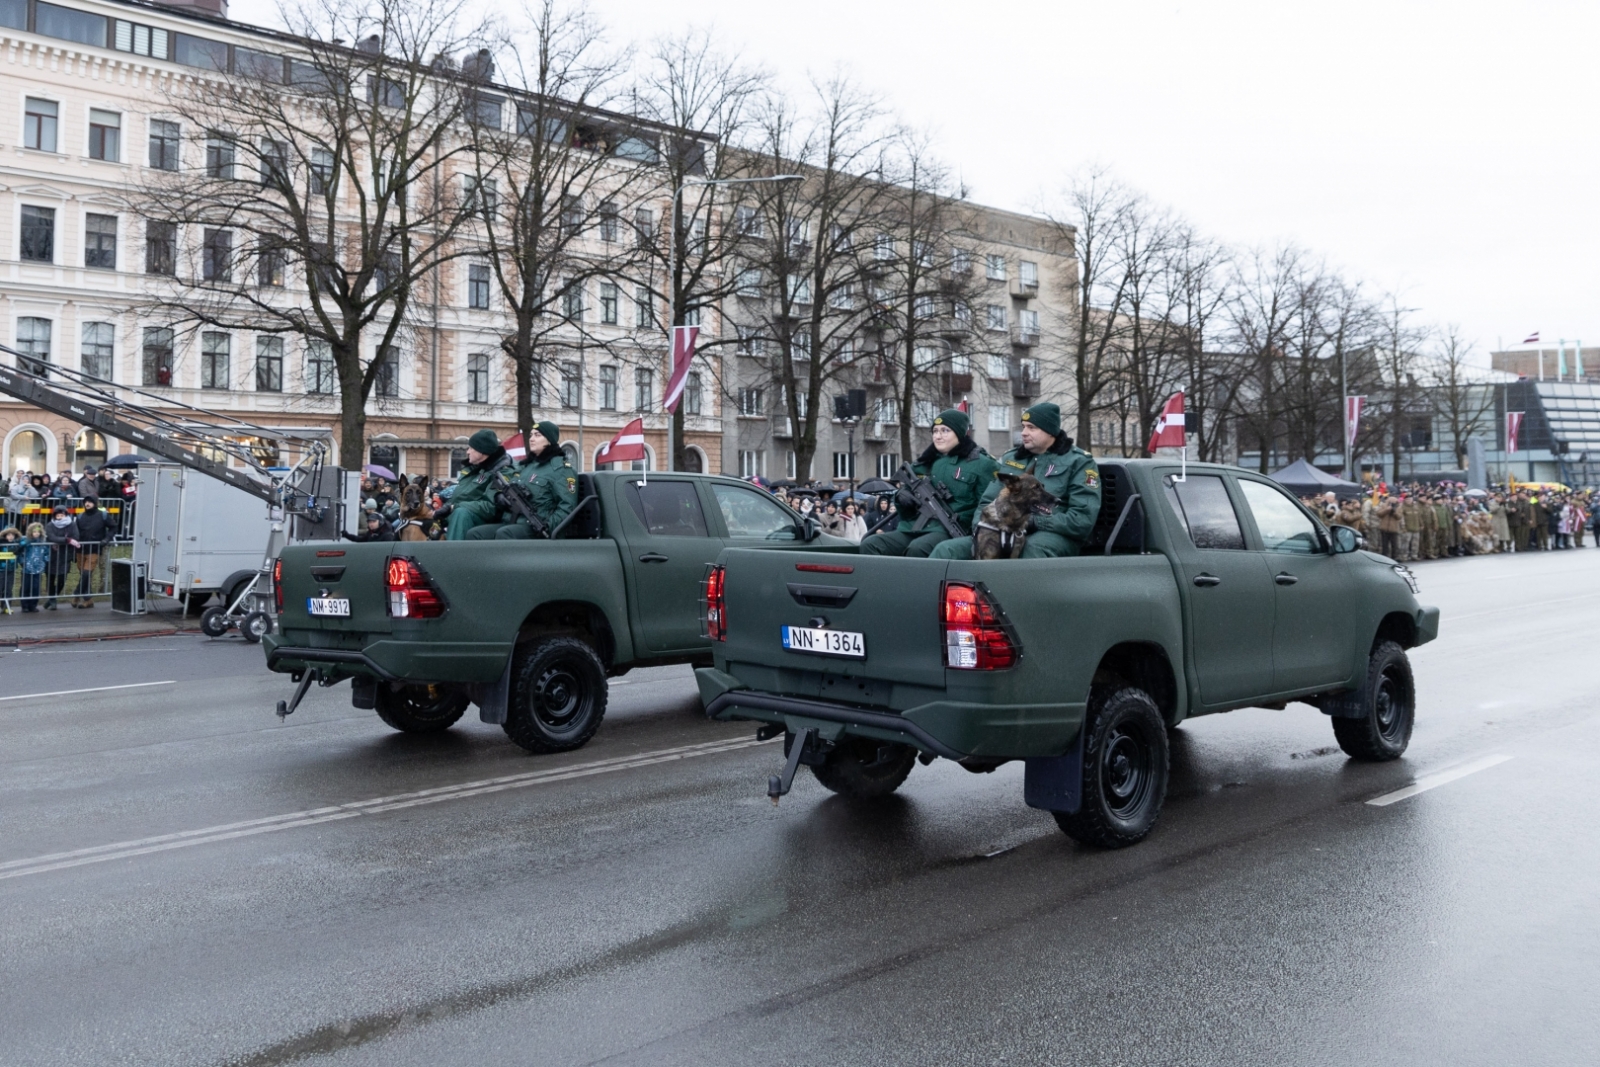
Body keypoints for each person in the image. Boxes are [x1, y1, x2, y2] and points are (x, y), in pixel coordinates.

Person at [931, 402, 1101, 560]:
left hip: (1054, 534)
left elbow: (1082, 519)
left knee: (1028, 550)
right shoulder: (1012, 458)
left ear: (1050, 431)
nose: (1024, 433)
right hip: (1002, 529)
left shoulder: (1078, 461)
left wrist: (1033, 521)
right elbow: (988, 500)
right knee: (946, 550)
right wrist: (980, 527)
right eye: (1023, 427)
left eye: (1031, 428)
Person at [861, 408, 999, 557]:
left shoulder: (981, 464)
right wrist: (901, 497)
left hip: (950, 531)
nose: (938, 436)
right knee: (871, 544)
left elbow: (987, 507)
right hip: (913, 527)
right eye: (935, 431)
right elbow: (905, 493)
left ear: (960, 433)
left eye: (945, 431)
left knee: (918, 548)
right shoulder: (924, 462)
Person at [466, 422, 579, 540]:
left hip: (537, 527)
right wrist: (499, 496)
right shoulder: (526, 467)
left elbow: (567, 506)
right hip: (512, 521)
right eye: (531, 435)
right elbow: (506, 487)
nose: (532, 439)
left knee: (505, 533)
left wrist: (548, 526)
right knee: (475, 534)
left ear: (550, 440)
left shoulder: (560, 468)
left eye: (537, 435)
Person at [439, 430, 513, 540]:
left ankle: (454, 555)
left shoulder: (501, 471)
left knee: (461, 513)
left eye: (470, 448)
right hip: (459, 516)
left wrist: (454, 507)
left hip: (483, 521)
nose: (467, 452)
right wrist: (440, 512)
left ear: (481, 451)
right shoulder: (472, 469)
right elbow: (460, 497)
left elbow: (491, 507)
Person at [72, 496, 110, 608]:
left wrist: (106, 539)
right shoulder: (80, 516)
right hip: (80, 549)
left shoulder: (103, 515)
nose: (87, 504)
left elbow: (113, 527)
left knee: (86, 573)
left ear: (94, 503)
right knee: (84, 575)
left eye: (90, 502)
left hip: (94, 549)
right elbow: (75, 532)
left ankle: (76, 594)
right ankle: (88, 599)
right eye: (86, 502)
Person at [42, 505, 80, 610]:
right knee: (50, 578)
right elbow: (51, 537)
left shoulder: (72, 524)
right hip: (51, 555)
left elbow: (76, 537)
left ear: (66, 514)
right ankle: (53, 601)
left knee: (62, 579)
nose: (59, 516)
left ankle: (51, 599)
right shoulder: (50, 525)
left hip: (65, 555)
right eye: (57, 515)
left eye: (62, 514)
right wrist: (67, 540)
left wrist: (66, 540)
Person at [18, 522, 48, 612]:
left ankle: (33, 605)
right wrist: (22, 562)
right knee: (25, 587)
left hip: (38, 569)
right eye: (34, 531)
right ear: (30, 532)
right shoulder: (25, 541)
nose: (36, 533)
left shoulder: (43, 542)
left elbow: (46, 553)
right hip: (27, 569)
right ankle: (25, 605)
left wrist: (45, 561)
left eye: (38, 532)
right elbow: (20, 553)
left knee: (36, 587)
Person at [0, 525, 19, 613]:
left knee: (8, 588)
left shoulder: (16, 544)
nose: (11, 537)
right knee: (1, 587)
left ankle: (6, 606)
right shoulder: (1, 544)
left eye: (12, 535)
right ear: (5, 536)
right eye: (8, 535)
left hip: (11, 569)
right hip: (1, 570)